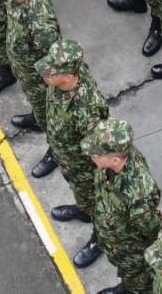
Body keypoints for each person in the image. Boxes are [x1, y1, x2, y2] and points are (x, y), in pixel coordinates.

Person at [39, 38, 108, 267]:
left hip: (83, 166)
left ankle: (99, 238)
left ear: (69, 77)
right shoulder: (60, 83)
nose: (46, 74)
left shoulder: (88, 109)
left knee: (98, 202)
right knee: (83, 195)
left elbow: (98, 152)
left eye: (52, 72)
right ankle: (83, 209)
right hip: (68, 158)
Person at [0, 0, 61, 177]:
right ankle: (37, 116)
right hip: (25, 67)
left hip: (38, 76)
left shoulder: (39, 23)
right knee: (38, 106)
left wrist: (47, 87)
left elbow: (53, 57)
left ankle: (56, 149)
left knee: (51, 114)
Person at [82, 118, 162, 294]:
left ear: (115, 161)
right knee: (128, 277)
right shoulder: (116, 159)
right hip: (113, 235)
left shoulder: (138, 193)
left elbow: (150, 228)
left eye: (96, 154)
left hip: (130, 248)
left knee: (138, 282)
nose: (91, 156)